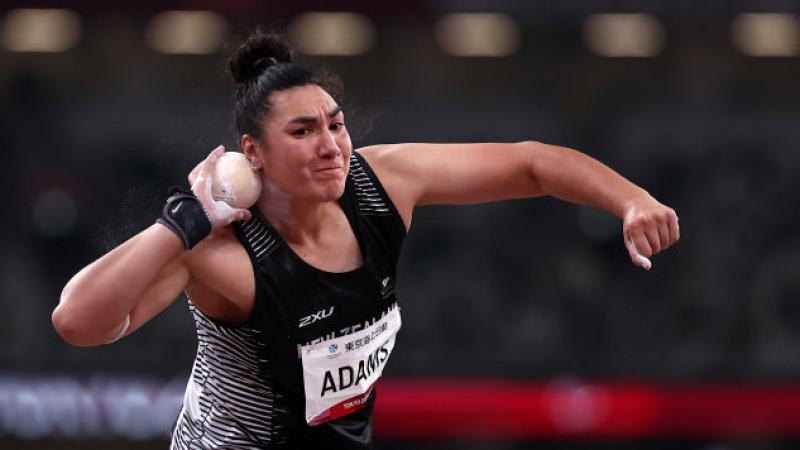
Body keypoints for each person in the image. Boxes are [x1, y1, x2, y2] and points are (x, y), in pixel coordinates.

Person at [52, 31, 679, 449]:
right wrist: (181, 222)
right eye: (302, 131)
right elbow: (78, 321)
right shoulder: (224, 254)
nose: (330, 145)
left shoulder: (382, 183)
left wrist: (630, 199)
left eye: (336, 123)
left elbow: (532, 163)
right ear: (254, 154)